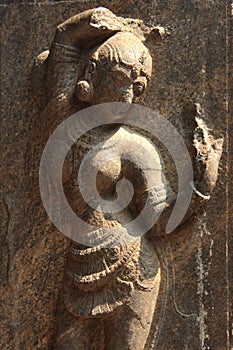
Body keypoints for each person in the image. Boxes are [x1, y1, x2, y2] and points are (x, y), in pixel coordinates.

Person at [36, 8, 222, 350]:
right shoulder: (64, 128)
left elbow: (159, 220)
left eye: (139, 87)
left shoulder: (136, 148)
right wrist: (101, 21)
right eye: (121, 80)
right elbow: (63, 46)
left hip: (132, 267)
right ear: (91, 76)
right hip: (79, 265)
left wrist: (201, 185)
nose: (130, 96)